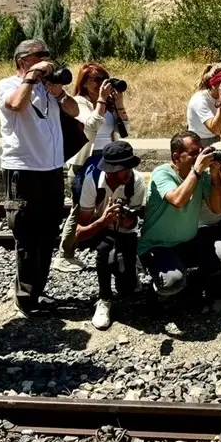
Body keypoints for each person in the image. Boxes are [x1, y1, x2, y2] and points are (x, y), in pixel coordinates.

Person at [0, 39, 80, 317]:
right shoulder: (8, 85)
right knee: (27, 235)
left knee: (47, 234)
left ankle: (36, 292)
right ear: (23, 61)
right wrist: (33, 77)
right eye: (40, 56)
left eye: (48, 55)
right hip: (23, 169)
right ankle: (25, 298)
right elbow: (17, 105)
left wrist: (58, 94)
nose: (47, 60)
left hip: (52, 169)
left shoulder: (47, 89)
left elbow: (75, 111)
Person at [138, 132, 221, 299]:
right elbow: (178, 200)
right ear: (176, 156)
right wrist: (198, 169)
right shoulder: (162, 174)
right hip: (157, 246)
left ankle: (191, 284)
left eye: (201, 152)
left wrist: (215, 177)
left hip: (187, 242)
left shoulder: (202, 176)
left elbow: (217, 208)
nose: (199, 157)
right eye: (194, 153)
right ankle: (159, 292)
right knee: (172, 282)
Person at [55, 64, 131, 273]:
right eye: (96, 80)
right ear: (84, 82)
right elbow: (90, 129)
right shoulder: (78, 103)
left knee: (110, 203)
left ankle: (110, 246)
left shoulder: (109, 104)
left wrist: (119, 105)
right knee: (80, 209)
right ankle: (64, 254)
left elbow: (125, 132)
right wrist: (100, 102)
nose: (101, 84)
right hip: (86, 163)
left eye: (104, 79)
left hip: (108, 161)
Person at [75, 141, 147, 329]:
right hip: (99, 227)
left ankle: (130, 272)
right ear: (110, 170)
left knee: (127, 288)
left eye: (129, 167)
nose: (128, 172)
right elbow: (80, 232)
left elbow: (135, 220)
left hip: (125, 232)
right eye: (123, 168)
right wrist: (103, 222)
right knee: (105, 252)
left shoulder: (136, 181)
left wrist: (128, 220)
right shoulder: (92, 180)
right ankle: (104, 298)